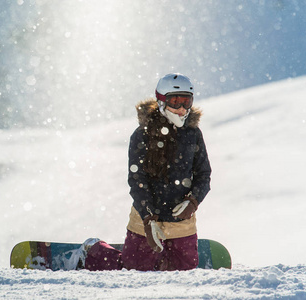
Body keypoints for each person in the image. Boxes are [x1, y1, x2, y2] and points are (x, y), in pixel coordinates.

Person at [72, 73, 211, 271]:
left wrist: (193, 201)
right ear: (161, 101)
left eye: (186, 102)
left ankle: (166, 255)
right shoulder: (142, 134)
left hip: (181, 220)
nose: (181, 109)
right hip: (145, 219)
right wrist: (148, 218)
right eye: (175, 101)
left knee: (182, 272)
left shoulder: (193, 134)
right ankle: (93, 251)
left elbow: (204, 175)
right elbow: (137, 179)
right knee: (134, 270)